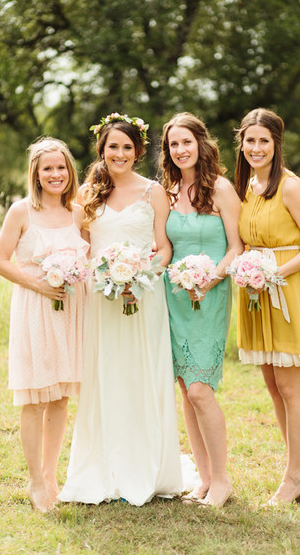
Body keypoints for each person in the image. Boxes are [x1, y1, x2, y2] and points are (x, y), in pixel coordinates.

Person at [58, 113, 183, 506]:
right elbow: (83, 249)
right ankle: (104, 466)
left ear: (138, 150)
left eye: (127, 147)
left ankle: (148, 464)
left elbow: (164, 248)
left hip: (143, 297)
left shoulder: (154, 192)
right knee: (106, 373)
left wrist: (140, 275)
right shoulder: (87, 194)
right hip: (101, 299)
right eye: (113, 146)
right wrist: (105, 275)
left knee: (142, 373)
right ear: (102, 149)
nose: (120, 153)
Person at [234, 108, 300, 505]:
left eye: (264, 141)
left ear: (276, 144)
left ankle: (293, 477)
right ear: (241, 143)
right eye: (250, 140)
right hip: (256, 292)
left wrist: (276, 273)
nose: (256, 148)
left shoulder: (290, 187)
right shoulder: (245, 186)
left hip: (286, 289)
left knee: (290, 385)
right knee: (272, 384)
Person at [0, 137, 88, 513]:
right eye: (47, 168)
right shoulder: (21, 211)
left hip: (69, 310)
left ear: (70, 171)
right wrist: (41, 285)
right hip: (34, 307)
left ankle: (50, 476)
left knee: (60, 397)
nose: (55, 174)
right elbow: (0, 261)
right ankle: (34, 481)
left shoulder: (77, 214)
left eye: (61, 167)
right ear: (36, 173)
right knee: (34, 397)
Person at [159, 112, 243, 509]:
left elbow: (237, 247)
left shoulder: (221, 189)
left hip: (210, 296)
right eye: (173, 144)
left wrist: (210, 280)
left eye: (186, 142)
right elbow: (165, 247)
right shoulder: (168, 192)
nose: (180, 150)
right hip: (174, 297)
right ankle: (205, 479)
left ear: (201, 143)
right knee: (185, 389)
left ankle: (223, 480)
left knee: (200, 389)